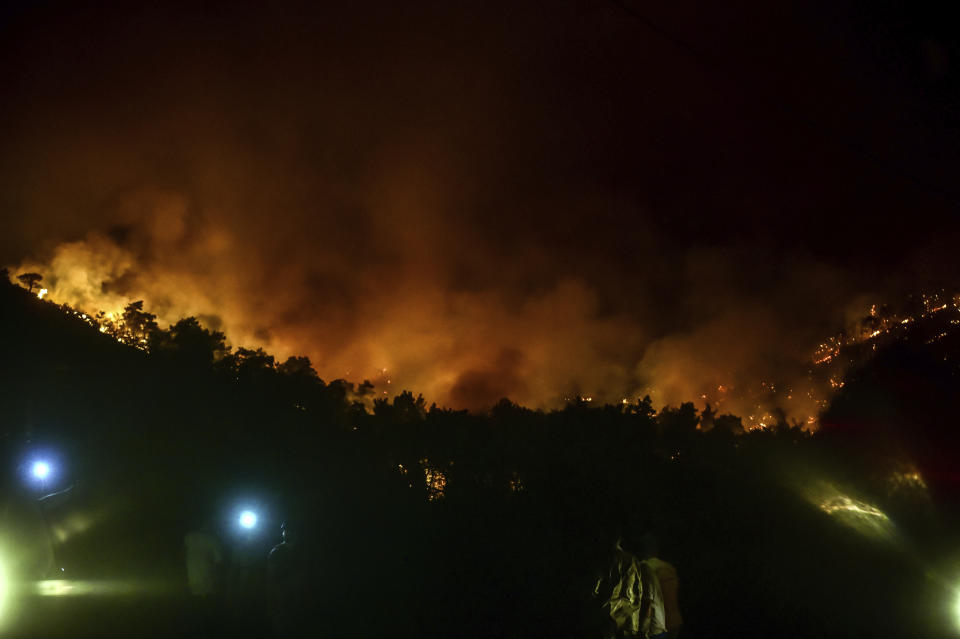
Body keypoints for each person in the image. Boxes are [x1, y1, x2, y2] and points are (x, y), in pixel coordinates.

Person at [593, 532, 649, 638]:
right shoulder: (632, 560)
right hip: (628, 620)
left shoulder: (603, 559)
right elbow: (638, 591)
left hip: (607, 620)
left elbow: (594, 588)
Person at [638, 533, 683, 639]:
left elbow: (648, 600)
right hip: (675, 620)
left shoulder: (645, 568)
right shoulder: (669, 568)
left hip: (658, 623)